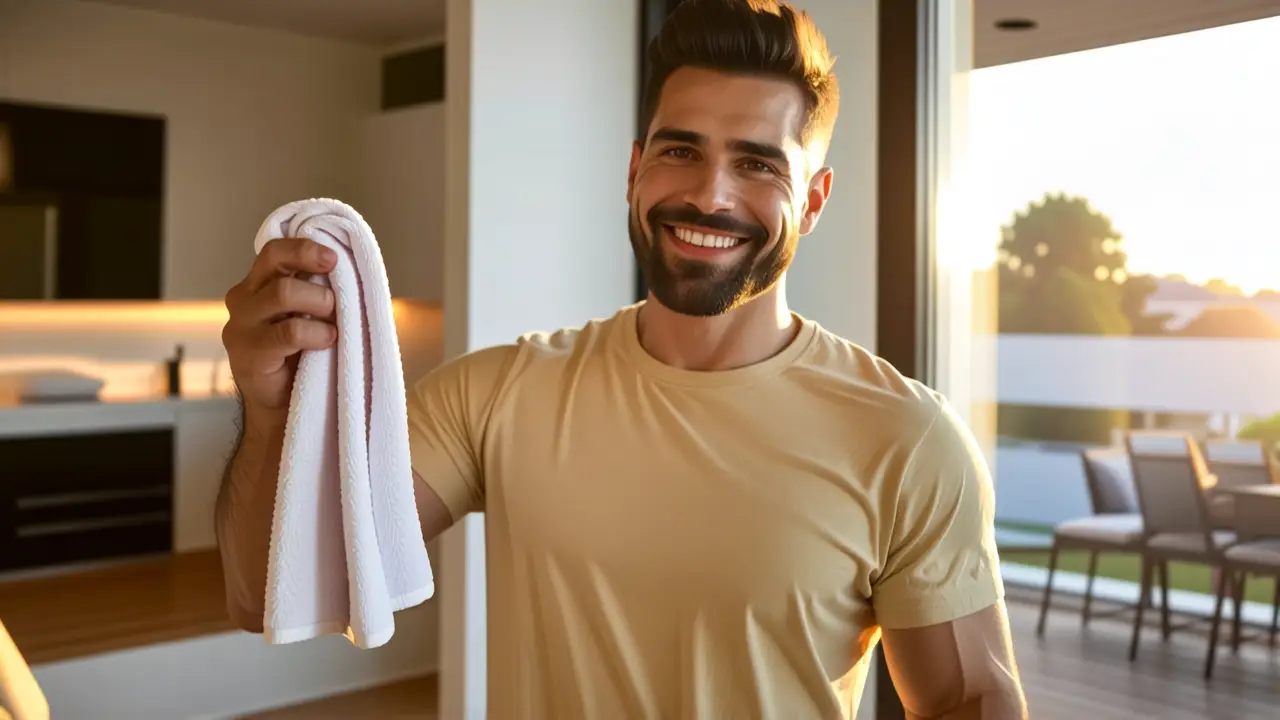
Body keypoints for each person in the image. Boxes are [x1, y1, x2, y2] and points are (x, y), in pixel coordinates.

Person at [215, 0, 1027, 717]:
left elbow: (964, 699)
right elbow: (269, 593)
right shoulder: (499, 394)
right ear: (635, 171)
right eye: (681, 151)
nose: (710, 194)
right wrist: (268, 409)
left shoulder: (906, 438)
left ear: (812, 201)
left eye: (757, 163)